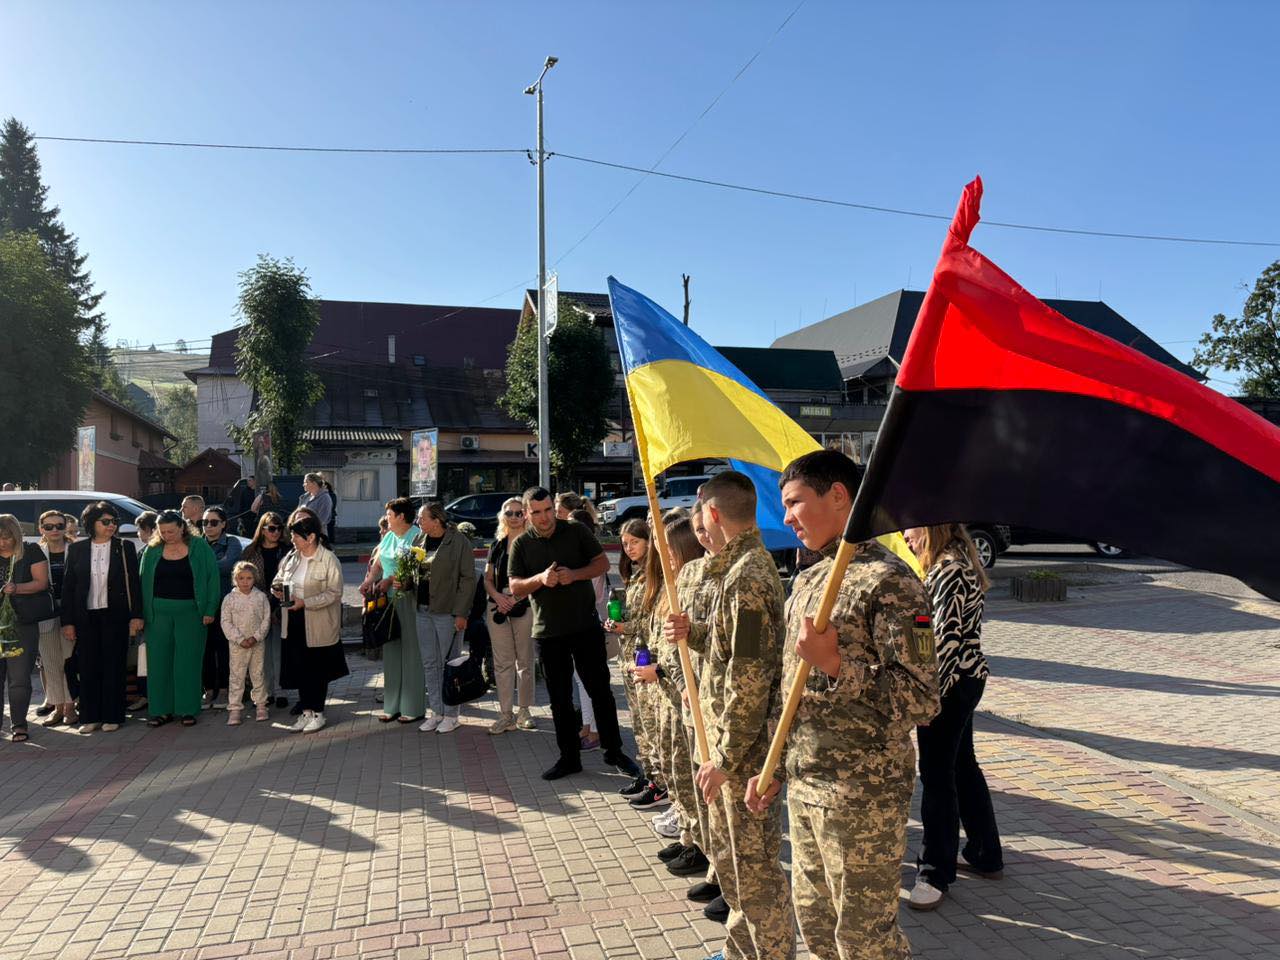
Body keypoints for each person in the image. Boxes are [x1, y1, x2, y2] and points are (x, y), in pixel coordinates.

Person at [742, 450, 939, 960]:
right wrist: (774, 765)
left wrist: (835, 665)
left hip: (862, 795)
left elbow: (922, 698)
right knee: (816, 927)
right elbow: (790, 690)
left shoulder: (891, 582)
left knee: (863, 941)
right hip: (806, 784)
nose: (786, 517)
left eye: (794, 502)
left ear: (837, 496)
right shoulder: (810, 580)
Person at [666, 471, 794, 960]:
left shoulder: (748, 578)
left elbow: (750, 677)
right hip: (726, 744)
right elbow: (731, 650)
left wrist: (725, 757)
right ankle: (742, 950)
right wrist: (694, 633)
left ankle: (769, 954)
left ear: (713, 513)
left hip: (740, 754)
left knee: (754, 872)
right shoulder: (734, 571)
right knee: (736, 867)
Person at [508, 487, 641, 782]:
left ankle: (614, 751)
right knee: (560, 699)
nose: (545, 517)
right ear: (527, 514)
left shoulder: (575, 530)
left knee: (600, 691)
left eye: (548, 510)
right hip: (548, 633)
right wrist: (540, 579)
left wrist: (575, 574)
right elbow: (515, 586)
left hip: (585, 627)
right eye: (537, 512)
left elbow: (602, 563)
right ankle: (569, 758)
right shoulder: (522, 544)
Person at [903, 522, 1004, 910]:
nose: (906, 536)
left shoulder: (948, 569)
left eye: (911, 527)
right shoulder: (957, 561)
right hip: (964, 680)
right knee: (962, 767)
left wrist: (927, 699)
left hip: (949, 684)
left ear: (932, 527)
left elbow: (941, 642)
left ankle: (935, 873)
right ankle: (984, 853)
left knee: (937, 776)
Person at [668, 498, 727, 921]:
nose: (703, 536)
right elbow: (682, 638)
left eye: (704, 528)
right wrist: (681, 679)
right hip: (695, 697)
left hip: (719, 707)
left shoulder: (741, 575)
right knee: (703, 797)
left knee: (721, 805)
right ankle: (716, 867)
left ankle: (728, 880)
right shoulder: (692, 574)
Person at [641, 514, 709, 878]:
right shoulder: (671, 585)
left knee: (689, 776)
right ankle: (688, 837)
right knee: (677, 773)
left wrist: (668, 675)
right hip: (669, 696)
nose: (662, 555)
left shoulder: (691, 587)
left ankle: (701, 847)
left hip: (684, 696)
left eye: (668, 549)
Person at [61, 502, 144, 735]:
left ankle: (113, 715)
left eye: (114, 521)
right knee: (88, 667)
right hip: (85, 616)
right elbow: (68, 587)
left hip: (115, 615)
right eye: (105, 521)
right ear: (92, 523)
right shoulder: (77, 549)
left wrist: (136, 616)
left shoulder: (124, 547)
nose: (111, 526)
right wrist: (68, 621)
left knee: (113, 666)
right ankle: (90, 717)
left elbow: (134, 584)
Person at [139, 511, 220, 727]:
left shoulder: (200, 547)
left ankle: (187, 709)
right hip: (157, 614)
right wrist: (141, 615)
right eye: (163, 532)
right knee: (158, 663)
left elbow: (212, 578)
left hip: (192, 612)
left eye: (171, 531)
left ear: (182, 527)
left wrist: (210, 609)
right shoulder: (152, 549)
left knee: (188, 661)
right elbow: (142, 581)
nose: (167, 536)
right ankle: (160, 710)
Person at [605, 518, 666, 803]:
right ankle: (649, 775)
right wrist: (617, 622)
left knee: (651, 725)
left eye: (635, 542)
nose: (629, 548)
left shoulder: (657, 575)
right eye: (625, 543)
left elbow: (653, 622)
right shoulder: (636, 574)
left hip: (646, 657)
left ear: (649, 542)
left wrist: (625, 626)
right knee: (639, 724)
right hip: (629, 658)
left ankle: (660, 782)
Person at [274, 514, 347, 733]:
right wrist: (276, 589)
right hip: (293, 620)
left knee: (317, 670)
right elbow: (278, 578)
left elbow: (334, 593)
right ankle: (306, 713)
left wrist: (306, 602)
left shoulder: (328, 559)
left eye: (296, 536)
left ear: (311, 537)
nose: (292, 539)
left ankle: (318, 713)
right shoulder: (291, 557)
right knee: (300, 668)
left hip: (318, 622)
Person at [412, 502, 476, 734]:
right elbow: (414, 571)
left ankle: (451, 715)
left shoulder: (459, 542)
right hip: (423, 610)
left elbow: (467, 580)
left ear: (436, 520)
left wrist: (461, 613)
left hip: (447, 612)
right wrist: (405, 581)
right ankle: (436, 712)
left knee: (450, 664)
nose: (418, 522)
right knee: (430, 663)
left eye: (422, 518)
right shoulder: (419, 539)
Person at [360, 497, 425, 725]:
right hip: (386, 599)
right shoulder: (389, 536)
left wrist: (390, 580)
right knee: (391, 650)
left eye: (389, 515)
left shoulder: (417, 536)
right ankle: (392, 705)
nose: (386, 518)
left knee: (411, 651)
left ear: (401, 516)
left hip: (407, 597)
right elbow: (378, 563)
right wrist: (369, 581)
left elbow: (416, 567)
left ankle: (413, 707)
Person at [484, 497, 536, 735]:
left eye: (518, 513)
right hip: (497, 605)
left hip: (524, 604)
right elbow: (487, 579)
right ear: (502, 516)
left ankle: (524, 711)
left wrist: (513, 600)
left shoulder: (532, 542)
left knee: (524, 661)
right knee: (502, 663)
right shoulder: (497, 544)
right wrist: (498, 597)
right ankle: (506, 714)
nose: (514, 517)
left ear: (525, 515)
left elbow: (536, 580)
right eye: (509, 513)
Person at [0, 514, 48, 742]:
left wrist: (16, 588)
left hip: (22, 623)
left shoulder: (31, 551)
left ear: (16, 535)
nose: (2, 542)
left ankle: (19, 725)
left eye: (7, 537)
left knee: (19, 678)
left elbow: (41, 583)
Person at [241, 512, 290, 709]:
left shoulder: (287, 550)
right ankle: (265, 692)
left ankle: (281, 691)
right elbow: (243, 579)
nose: (275, 532)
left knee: (278, 651)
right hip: (257, 606)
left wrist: (278, 604)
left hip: (281, 605)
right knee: (261, 653)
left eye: (279, 528)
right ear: (262, 530)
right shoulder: (251, 552)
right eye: (271, 528)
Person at [570, 507, 608, 749]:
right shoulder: (579, 555)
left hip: (587, 625)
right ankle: (587, 725)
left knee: (590, 681)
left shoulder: (592, 558)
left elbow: (590, 595)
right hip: (575, 625)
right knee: (580, 680)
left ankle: (596, 730)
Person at [35, 510, 77, 727]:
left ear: (65, 527)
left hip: (71, 611)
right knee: (50, 661)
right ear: (41, 529)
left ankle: (70, 706)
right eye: (49, 526)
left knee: (68, 659)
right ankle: (57, 706)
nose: (54, 530)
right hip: (45, 611)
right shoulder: (35, 552)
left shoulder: (76, 549)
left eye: (59, 526)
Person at [200, 505, 243, 709]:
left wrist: (203, 567)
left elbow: (229, 566)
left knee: (225, 648)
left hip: (225, 604)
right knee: (205, 649)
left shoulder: (232, 542)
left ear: (223, 524)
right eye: (205, 522)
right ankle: (208, 689)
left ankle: (225, 689)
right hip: (202, 605)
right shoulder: (197, 543)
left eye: (213, 522)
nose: (208, 526)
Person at [221, 560, 272, 725]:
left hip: (257, 643)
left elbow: (266, 619)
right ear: (235, 579)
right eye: (241, 578)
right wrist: (239, 639)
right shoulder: (229, 599)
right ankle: (235, 709)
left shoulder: (260, 597)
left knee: (258, 673)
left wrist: (256, 637)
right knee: (237, 676)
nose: (245, 582)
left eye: (249, 578)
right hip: (237, 646)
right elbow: (225, 622)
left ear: (254, 579)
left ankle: (261, 705)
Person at [128, 511, 159, 713]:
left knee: (148, 656)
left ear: (149, 529)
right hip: (144, 613)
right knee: (143, 657)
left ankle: (150, 695)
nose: (138, 534)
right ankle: (146, 695)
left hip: (152, 612)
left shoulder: (154, 551)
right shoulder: (143, 552)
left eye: (139, 529)